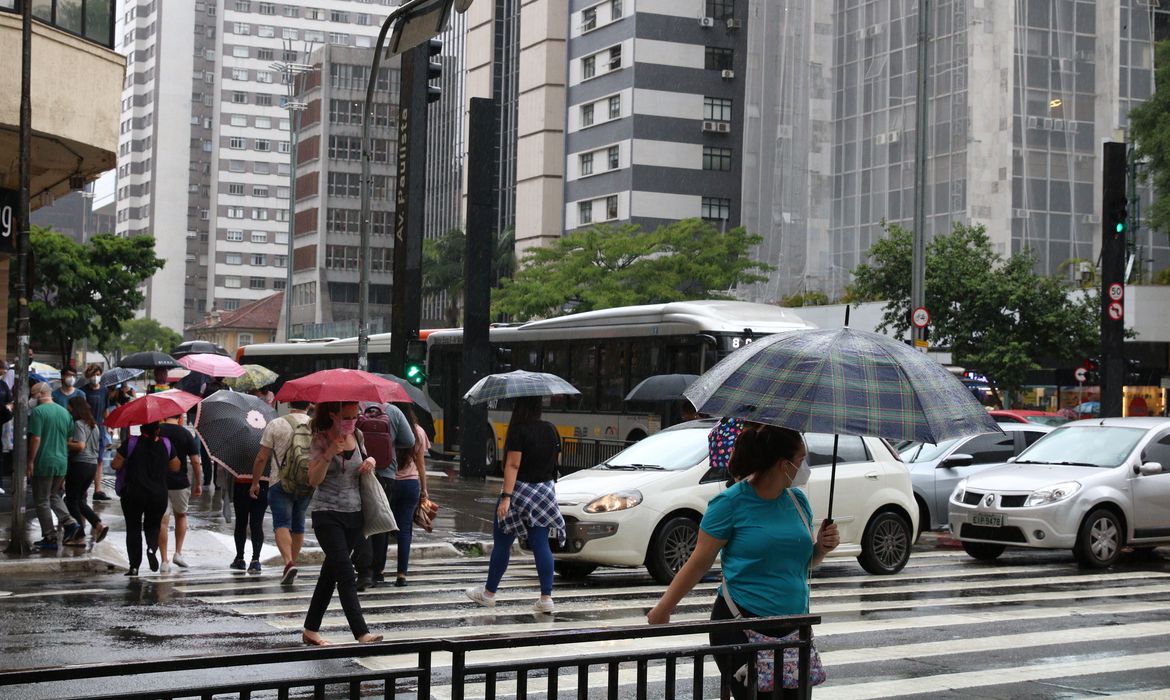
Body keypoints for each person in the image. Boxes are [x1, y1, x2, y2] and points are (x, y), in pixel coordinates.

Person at [647, 424, 840, 699]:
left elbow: (801, 563)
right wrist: (663, 609)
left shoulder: (798, 501)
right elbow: (698, 562)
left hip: (794, 628)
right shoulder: (729, 503)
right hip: (741, 625)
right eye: (801, 460)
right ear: (784, 465)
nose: (805, 467)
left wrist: (821, 547)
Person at [465, 396, 565, 614]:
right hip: (544, 492)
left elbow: (513, 464)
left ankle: (488, 594)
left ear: (519, 407)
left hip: (519, 490)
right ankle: (546, 598)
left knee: (503, 540)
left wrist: (507, 497)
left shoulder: (518, 431)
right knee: (541, 543)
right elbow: (556, 459)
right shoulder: (551, 429)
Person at [302, 401, 382, 646]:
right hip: (327, 514)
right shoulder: (321, 439)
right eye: (346, 416)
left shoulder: (357, 435)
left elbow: (365, 462)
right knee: (346, 572)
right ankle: (361, 632)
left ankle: (310, 630)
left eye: (355, 415)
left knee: (330, 574)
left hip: (354, 513)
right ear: (333, 415)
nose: (352, 420)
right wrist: (328, 455)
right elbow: (313, 479)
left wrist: (371, 463)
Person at [251, 401, 313, 585]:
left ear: (289, 404)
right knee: (299, 523)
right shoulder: (314, 425)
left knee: (282, 523)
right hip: (305, 481)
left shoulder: (276, 424)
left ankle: (288, 563)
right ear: (308, 405)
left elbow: (262, 457)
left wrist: (255, 482)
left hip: (279, 481)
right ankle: (292, 563)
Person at [357, 402, 415, 589]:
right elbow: (409, 441)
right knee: (381, 521)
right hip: (387, 473)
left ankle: (362, 567)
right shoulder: (394, 411)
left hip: (360, 470)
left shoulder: (357, 408)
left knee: (361, 519)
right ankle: (377, 571)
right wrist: (390, 441)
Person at [111, 421, 180, 576]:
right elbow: (175, 467)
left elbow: (115, 464)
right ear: (158, 430)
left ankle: (134, 566)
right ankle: (151, 548)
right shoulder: (166, 444)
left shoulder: (131, 443)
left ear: (141, 429)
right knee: (153, 526)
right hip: (158, 495)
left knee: (133, 528)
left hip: (133, 494)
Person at [28, 382, 80, 549]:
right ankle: (70, 523)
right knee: (54, 495)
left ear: (40, 394)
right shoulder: (65, 412)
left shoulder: (38, 412)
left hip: (44, 461)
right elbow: (69, 440)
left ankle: (50, 537)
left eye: (33, 394)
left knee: (42, 500)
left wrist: (30, 461)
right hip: (61, 461)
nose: (32, 398)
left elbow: (36, 438)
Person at [388, 403, 430, 587]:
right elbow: (421, 464)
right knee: (405, 530)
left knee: (383, 527)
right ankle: (401, 574)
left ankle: (378, 571)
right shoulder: (418, 431)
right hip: (410, 484)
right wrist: (424, 490)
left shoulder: (386, 426)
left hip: (389, 482)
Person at [157, 413, 203, 572]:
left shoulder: (158, 431)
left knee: (162, 520)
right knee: (181, 515)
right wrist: (198, 483)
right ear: (180, 418)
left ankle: (164, 560)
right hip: (180, 482)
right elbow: (196, 461)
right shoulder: (185, 433)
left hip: (159, 482)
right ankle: (178, 553)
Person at [63, 396, 108, 546]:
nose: (69, 412)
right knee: (80, 500)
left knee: (70, 500)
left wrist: (66, 442)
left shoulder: (78, 424)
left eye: (70, 409)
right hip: (91, 466)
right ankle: (98, 525)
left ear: (75, 409)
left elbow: (80, 446)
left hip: (80, 464)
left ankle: (79, 534)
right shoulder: (94, 425)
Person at [231, 442, 269, 574]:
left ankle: (240, 558)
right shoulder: (267, 441)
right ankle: (255, 560)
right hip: (264, 483)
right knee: (257, 523)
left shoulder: (239, 441)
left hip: (241, 483)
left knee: (241, 522)